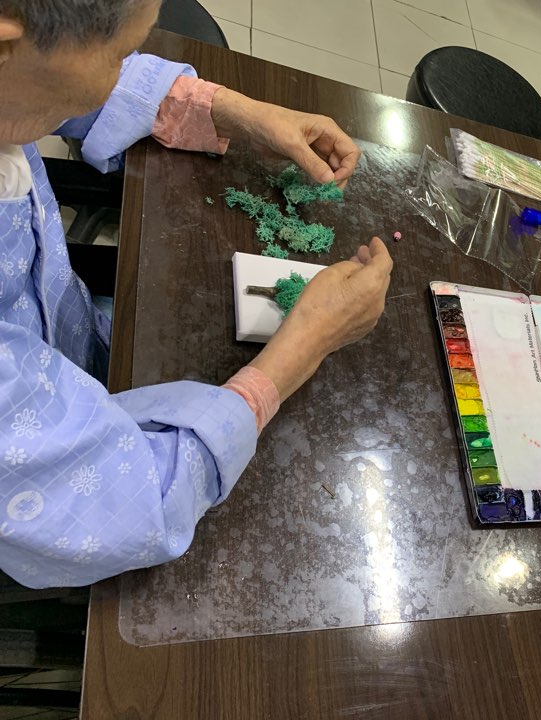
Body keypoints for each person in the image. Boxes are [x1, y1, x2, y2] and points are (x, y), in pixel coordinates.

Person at [0, 0, 393, 589]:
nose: (123, 71)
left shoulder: (17, 77)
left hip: (72, 343)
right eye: (117, 55)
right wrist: (306, 345)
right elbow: (125, 502)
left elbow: (51, 79)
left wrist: (239, 113)